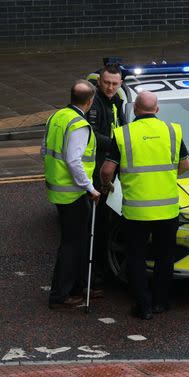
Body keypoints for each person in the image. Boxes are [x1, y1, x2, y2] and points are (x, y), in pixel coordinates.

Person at [100, 90, 189, 320]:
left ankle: (143, 306)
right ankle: (161, 302)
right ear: (157, 109)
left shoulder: (123, 134)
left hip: (136, 210)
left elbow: (107, 170)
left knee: (137, 257)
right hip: (167, 209)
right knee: (164, 257)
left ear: (135, 110)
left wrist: (108, 184)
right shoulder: (173, 131)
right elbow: (185, 165)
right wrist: (168, 179)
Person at [42, 80, 102, 310]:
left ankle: (75, 288)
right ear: (90, 101)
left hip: (57, 188)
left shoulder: (56, 117)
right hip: (74, 193)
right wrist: (90, 188)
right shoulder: (79, 125)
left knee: (71, 242)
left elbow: (44, 150)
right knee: (72, 246)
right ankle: (60, 296)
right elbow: (73, 160)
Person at [86, 63, 127, 283]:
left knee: (110, 222)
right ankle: (97, 275)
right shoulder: (95, 104)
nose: (110, 87)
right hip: (99, 169)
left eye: (114, 83)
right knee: (99, 225)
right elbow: (92, 135)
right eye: (106, 83)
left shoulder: (118, 101)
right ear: (99, 81)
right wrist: (117, 143)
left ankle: (106, 268)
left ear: (120, 83)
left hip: (116, 168)